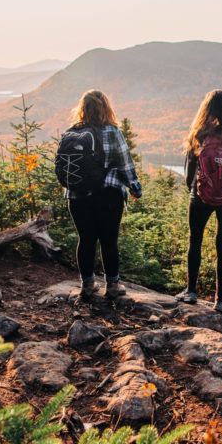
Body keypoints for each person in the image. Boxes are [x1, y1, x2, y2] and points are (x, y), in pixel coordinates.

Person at [63, 90, 142, 300]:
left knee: (85, 239)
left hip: (77, 196)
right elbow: (126, 166)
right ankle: (113, 286)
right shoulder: (113, 132)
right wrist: (135, 187)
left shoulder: (72, 132)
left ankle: (87, 285)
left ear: (82, 109)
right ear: (106, 108)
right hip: (108, 196)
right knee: (109, 240)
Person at [176, 90, 222, 312]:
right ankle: (220, 300)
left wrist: (194, 190)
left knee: (195, 241)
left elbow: (189, 173)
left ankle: (190, 292)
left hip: (199, 197)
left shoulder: (199, 134)